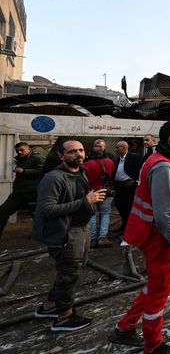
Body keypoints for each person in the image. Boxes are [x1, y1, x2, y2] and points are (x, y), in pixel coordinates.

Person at [109, 121, 170, 353]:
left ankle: (124, 328)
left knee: (153, 286)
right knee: (158, 294)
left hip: (153, 236)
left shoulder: (157, 161)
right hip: (160, 239)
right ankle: (153, 345)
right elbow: (164, 213)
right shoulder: (163, 167)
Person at [32, 140, 105, 331]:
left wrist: (90, 198)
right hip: (65, 233)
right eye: (72, 152)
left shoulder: (81, 172)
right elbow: (46, 209)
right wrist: (84, 201)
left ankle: (49, 306)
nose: (78, 154)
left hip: (80, 229)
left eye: (80, 150)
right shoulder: (53, 178)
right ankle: (64, 317)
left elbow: (78, 199)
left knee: (70, 270)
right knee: (69, 274)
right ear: (61, 155)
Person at [0, 142, 46, 238]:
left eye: (22, 150)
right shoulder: (20, 159)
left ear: (28, 149)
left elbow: (43, 171)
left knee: (37, 215)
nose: (20, 152)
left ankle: (43, 235)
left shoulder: (38, 158)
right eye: (17, 151)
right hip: (18, 192)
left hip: (32, 192)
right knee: (3, 211)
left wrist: (24, 171)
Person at [83, 147, 116, 248]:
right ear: (103, 153)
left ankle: (92, 239)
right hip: (106, 192)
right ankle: (102, 237)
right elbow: (113, 174)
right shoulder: (110, 162)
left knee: (92, 215)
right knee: (105, 213)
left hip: (91, 193)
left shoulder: (86, 164)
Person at [113, 141, 143, 235]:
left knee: (128, 207)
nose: (116, 149)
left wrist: (135, 180)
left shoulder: (133, 157)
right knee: (119, 205)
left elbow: (141, 169)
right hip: (119, 186)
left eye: (118, 147)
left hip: (128, 186)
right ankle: (124, 224)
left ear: (124, 148)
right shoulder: (118, 159)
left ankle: (129, 228)